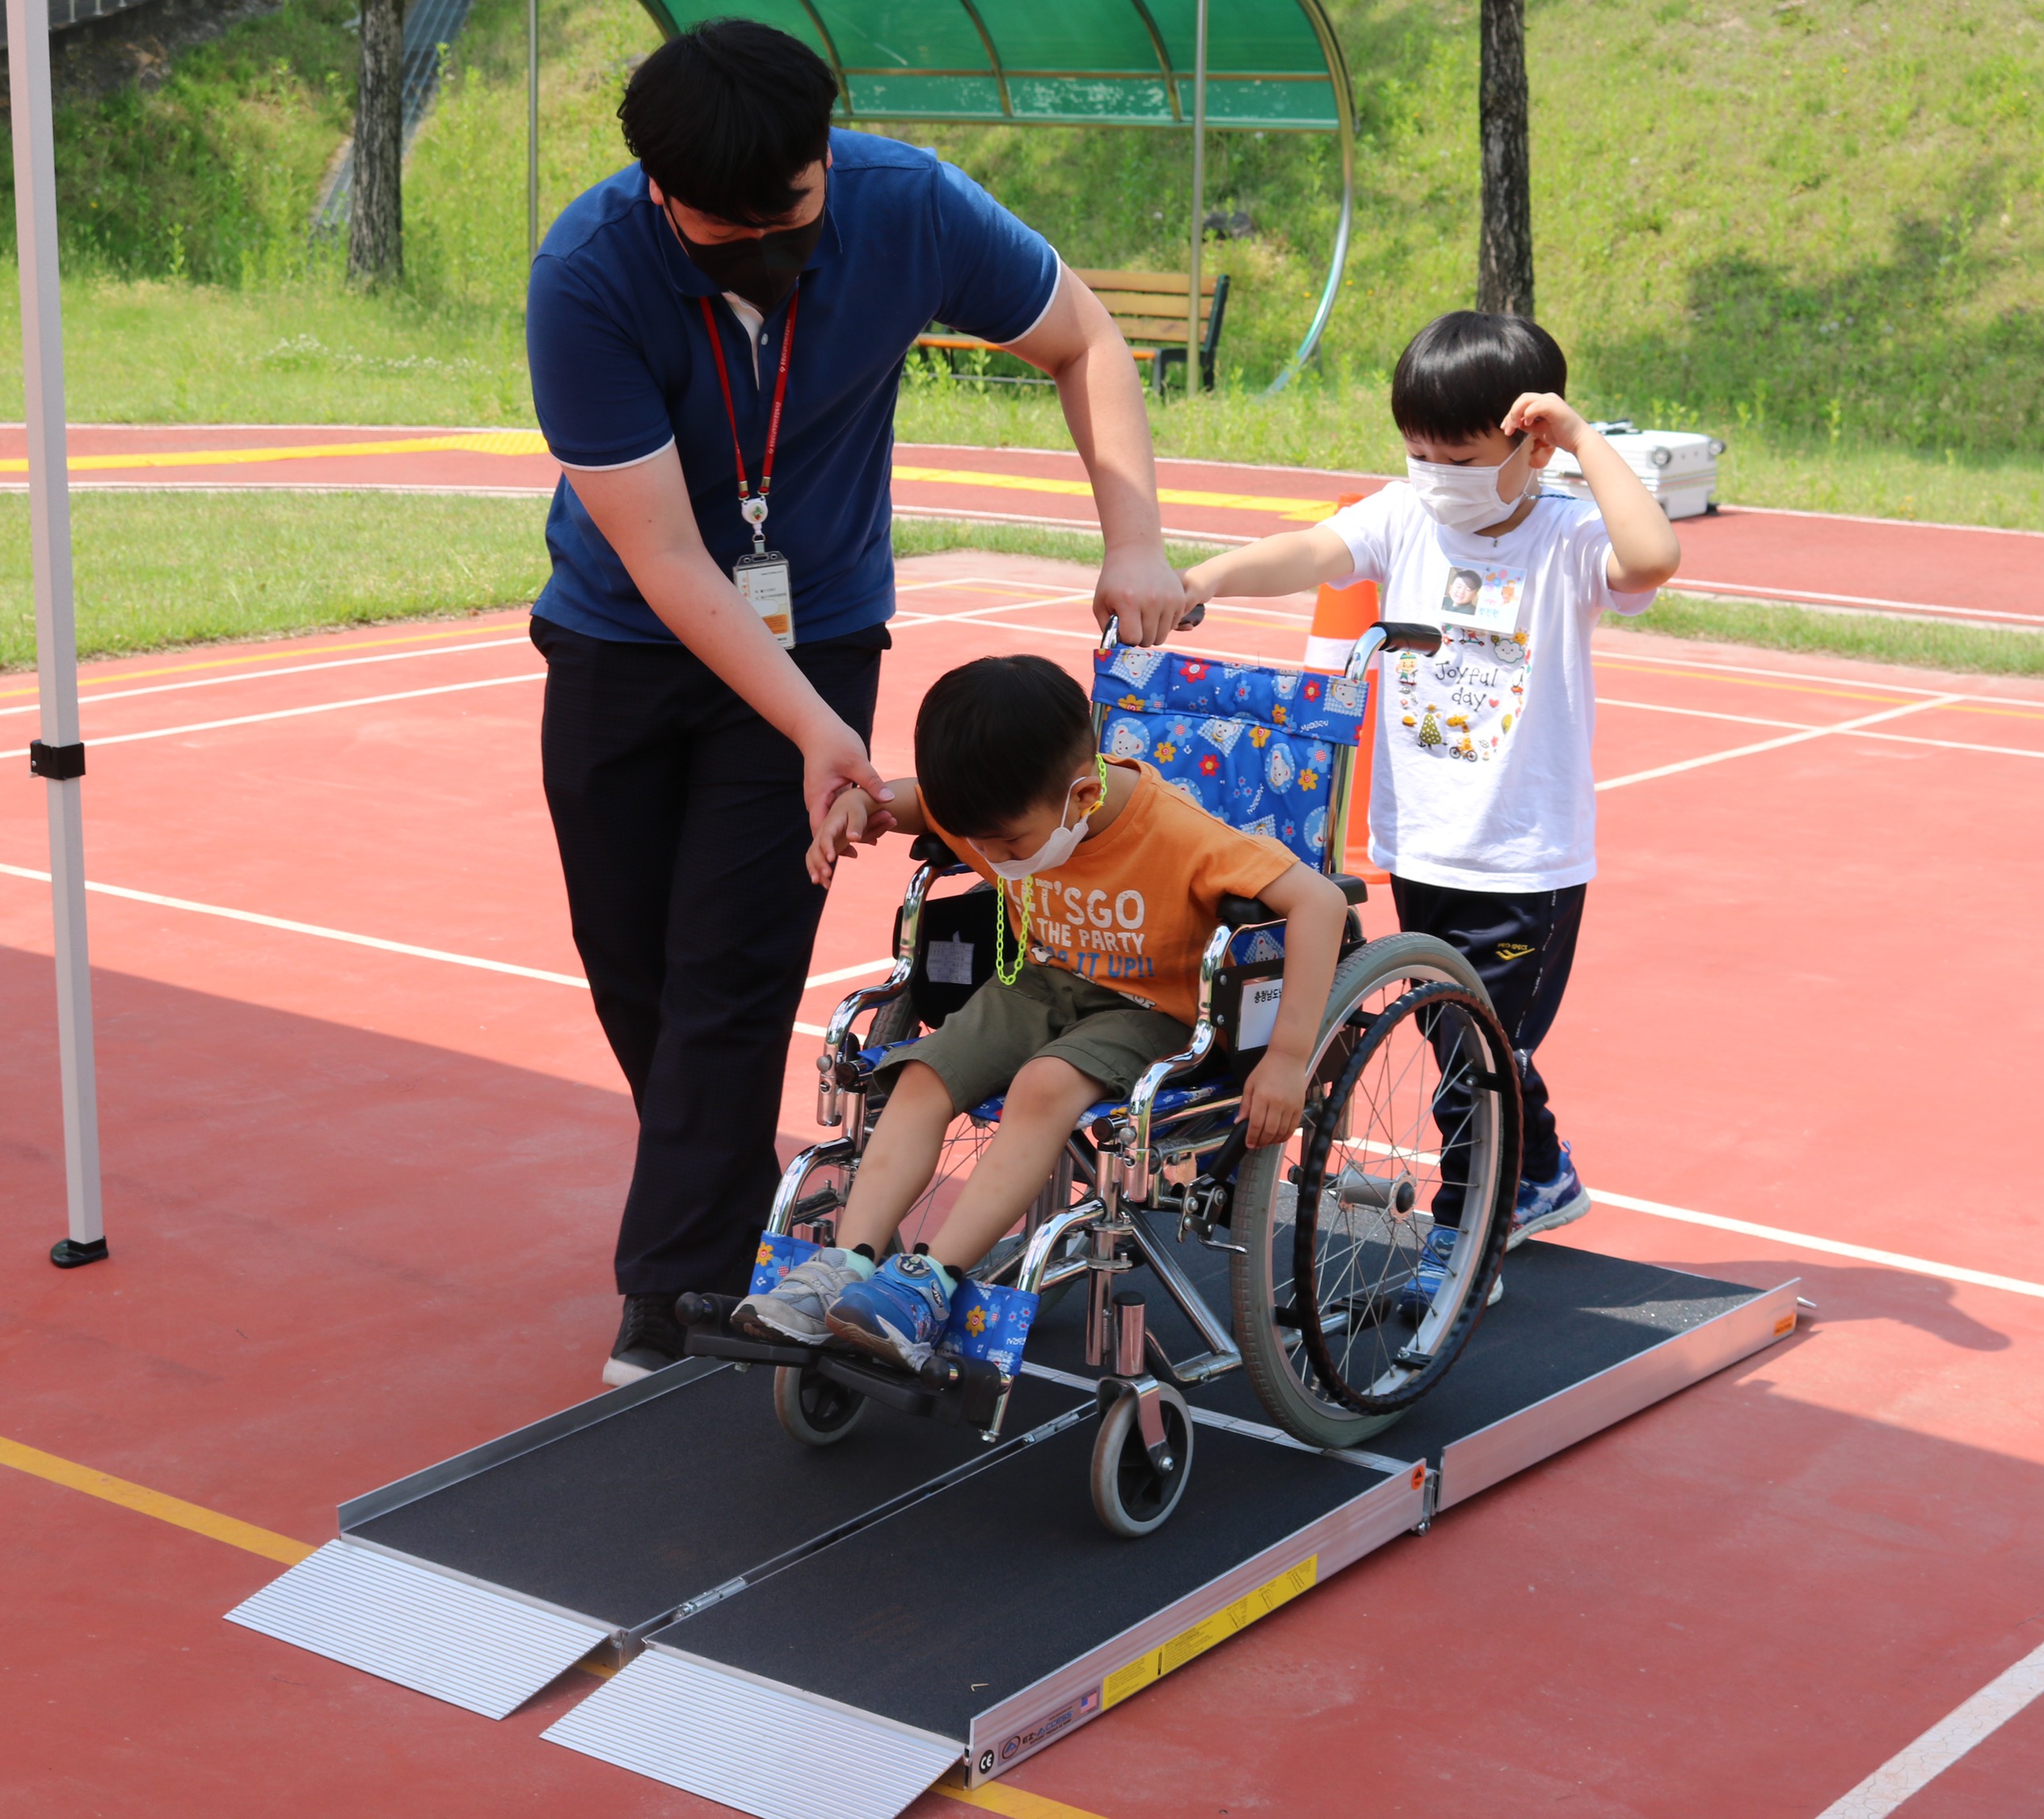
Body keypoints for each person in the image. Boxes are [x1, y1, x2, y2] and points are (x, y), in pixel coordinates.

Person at [525, 20, 1188, 1386]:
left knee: (729, 964)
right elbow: (667, 559)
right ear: (658, 191)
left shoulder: (908, 207)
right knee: (630, 961)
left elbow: (1082, 338)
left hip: (816, 629)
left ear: (824, 156)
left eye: (791, 211)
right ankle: (708, 1184)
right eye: (726, 229)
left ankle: (678, 1285)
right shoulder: (587, 274)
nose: (767, 243)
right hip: (626, 636)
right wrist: (809, 728)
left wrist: (1134, 539)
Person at [1170, 311, 1682, 1247]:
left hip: (1522, 864)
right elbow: (1309, 552)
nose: (1435, 475)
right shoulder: (1403, 517)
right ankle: (1537, 1174)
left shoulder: (1565, 539)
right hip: (1420, 846)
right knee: (1461, 1035)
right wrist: (1202, 578)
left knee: (1473, 1057)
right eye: (1418, 453)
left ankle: (1467, 1229)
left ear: (1530, 444)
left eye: (1460, 458)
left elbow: (1650, 557)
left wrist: (1582, 440)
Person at [731, 655, 1350, 1365]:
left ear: (1082, 795)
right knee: (920, 1076)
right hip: (1040, 981)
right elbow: (916, 802)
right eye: (978, 842)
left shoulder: (1179, 836)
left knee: (1043, 1085)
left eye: (1006, 846)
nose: (990, 857)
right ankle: (845, 1266)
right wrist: (861, 807)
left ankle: (928, 1284)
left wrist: (1290, 1057)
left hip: (1153, 1006)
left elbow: (1320, 901)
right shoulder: (1005, 805)